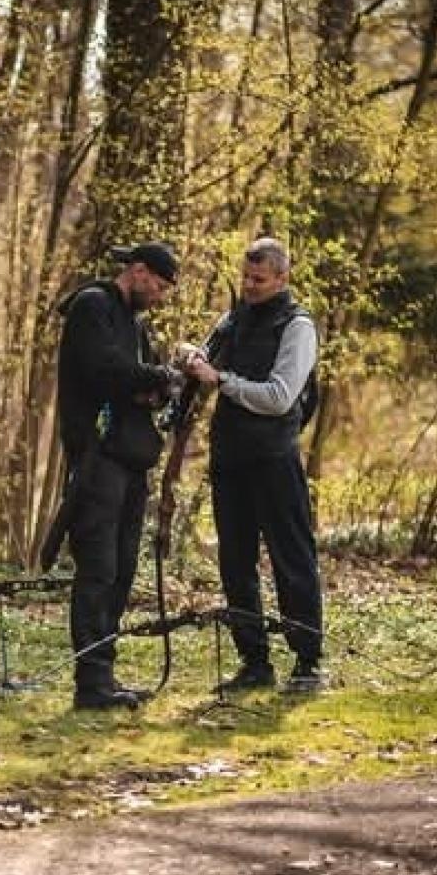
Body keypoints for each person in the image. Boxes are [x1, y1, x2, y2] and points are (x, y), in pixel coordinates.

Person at [183, 236, 325, 691]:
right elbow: (206, 369)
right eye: (245, 277)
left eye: (259, 279)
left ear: (282, 278)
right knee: (235, 562)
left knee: (292, 558)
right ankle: (254, 663)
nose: (249, 285)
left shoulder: (298, 327)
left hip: (274, 458)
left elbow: (281, 397)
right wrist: (191, 358)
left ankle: (307, 662)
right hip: (230, 458)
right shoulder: (232, 319)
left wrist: (221, 379)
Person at [42, 242, 180, 710]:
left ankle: (104, 673)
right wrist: (152, 377)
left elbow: (149, 387)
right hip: (96, 460)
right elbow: (105, 371)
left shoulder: (136, 325)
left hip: (131, 459)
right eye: (157, 286)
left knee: (121, 569)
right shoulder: (92, 306)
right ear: (137, 271)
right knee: (98, 569)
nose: (159, 296)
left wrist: (157, 385)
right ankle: (91, 682)